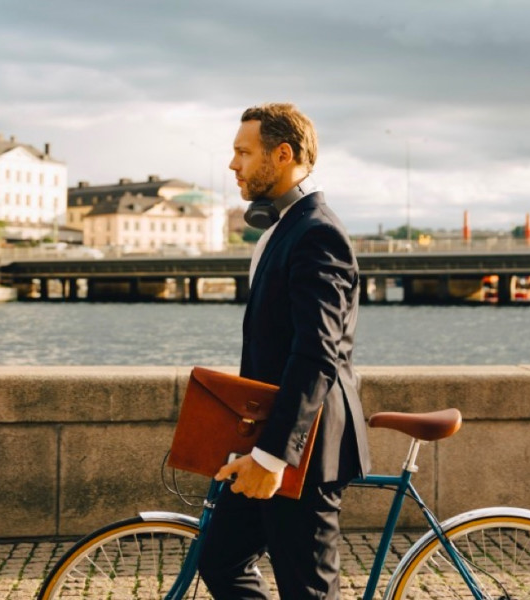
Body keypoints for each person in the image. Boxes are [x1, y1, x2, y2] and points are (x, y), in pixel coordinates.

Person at [197, 103, 371, 599]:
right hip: (276, 439)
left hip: (306, 451)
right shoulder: (285, 227)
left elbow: (318, 353)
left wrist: (272, 457)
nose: (233, 165)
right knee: (221, 559)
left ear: (283, 154)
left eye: (243, 152)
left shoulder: (317, 232)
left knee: (307, 593)